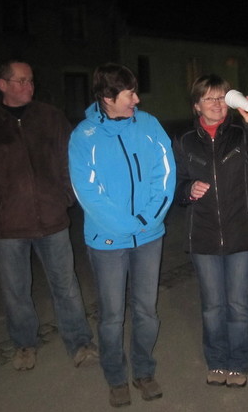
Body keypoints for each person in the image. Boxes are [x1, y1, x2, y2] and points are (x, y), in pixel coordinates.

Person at [0, 60, 97, 372]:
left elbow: (71, 159)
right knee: (16, 291)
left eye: (31, 80)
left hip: (52, 219)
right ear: (2, 85)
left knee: (65, 285)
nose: (28, 86)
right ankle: (24, 344)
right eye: (21, 81)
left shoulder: (50, 117)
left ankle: (79, 342)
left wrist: (65, 197)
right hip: (8, 226)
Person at [68, 63, 175, 408]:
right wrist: (129, 224)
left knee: (146, 310)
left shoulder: (149, 125)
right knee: (112, 315)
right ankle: (115, 377)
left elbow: (165, 175)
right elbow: (87, 193)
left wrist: (148, 218)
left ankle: (144, 371)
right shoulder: (84, 136)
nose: (137, 100)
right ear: (107, 96)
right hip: (107, 242)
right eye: (129, 94)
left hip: (150, 235)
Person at [172, 75, 248, 388]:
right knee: (212, 305)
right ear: (196, 106)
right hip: (203, 234)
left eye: (221, 97)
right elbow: (175, 185)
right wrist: (188, 189)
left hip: (243, 232)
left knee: (238, 303)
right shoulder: (184, 141)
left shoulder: (241, 134)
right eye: (209, 98)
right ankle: (217, 361)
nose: (217, 104)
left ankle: (239, 363)